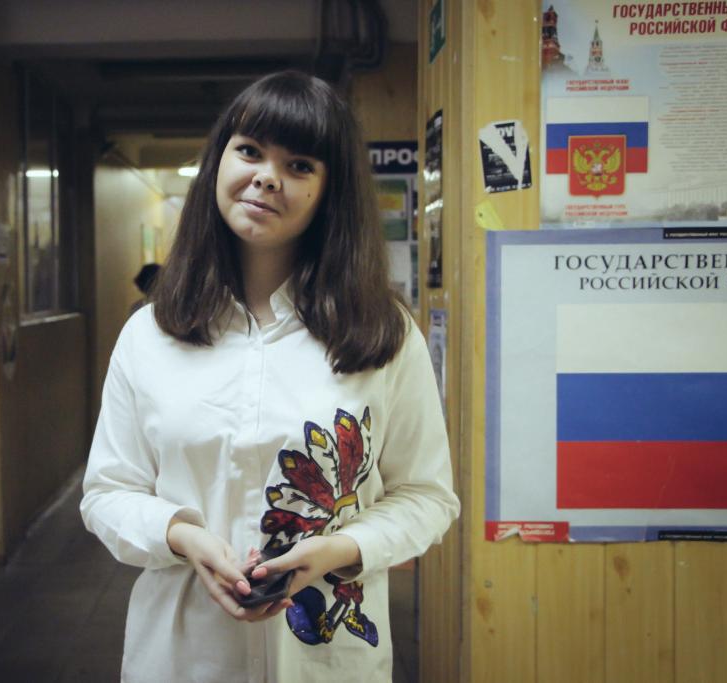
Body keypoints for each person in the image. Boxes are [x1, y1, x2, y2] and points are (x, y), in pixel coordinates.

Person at [81, 71, 459, 682]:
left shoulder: (382, 334)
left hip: (326, 658)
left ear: (330, 191)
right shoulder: (149, 334)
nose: (266, 177)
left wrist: (340, 550)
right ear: (219, 161)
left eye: (299, 165)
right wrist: (181, 536)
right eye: (250, 151)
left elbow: (426, 496)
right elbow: (107, 492)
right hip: (185, 656)